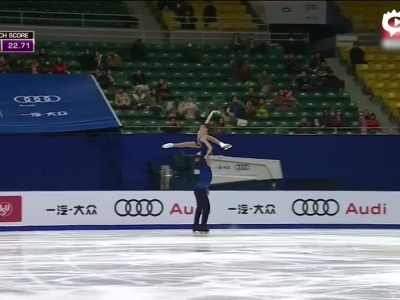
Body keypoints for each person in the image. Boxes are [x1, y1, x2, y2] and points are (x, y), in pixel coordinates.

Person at [161, 110, 232, 233]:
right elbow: (197, 143)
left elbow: (206, 132)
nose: (200, 129)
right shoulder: (201, 138)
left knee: (201, 207)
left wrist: (212, 113)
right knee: (206, 207)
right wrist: (207, 153)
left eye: (202, 128)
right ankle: (202, 227)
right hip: (203, 178)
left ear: (204, 129)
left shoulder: (202, 137)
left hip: (203, 177)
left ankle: (197, 226)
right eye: (199, 128)